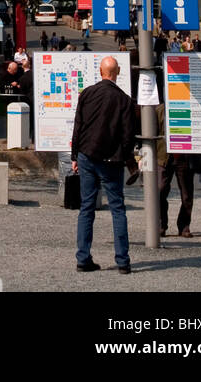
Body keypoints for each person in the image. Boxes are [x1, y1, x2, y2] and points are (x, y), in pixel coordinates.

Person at [70, 56, 138, 274]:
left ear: (100, 71)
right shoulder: (125, 100)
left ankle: (83, 258)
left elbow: (78, 126)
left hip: (87, 155)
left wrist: (74, 156)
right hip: (112, 160)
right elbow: (128, 136)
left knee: (86, 207)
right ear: (117, 71)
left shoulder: (87, 93)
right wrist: (125, 156)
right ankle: (123, 261)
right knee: (117, 208)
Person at [156, 105, 199, 238]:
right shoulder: (160, 109)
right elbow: (154, 132)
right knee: (160, 191)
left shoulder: (190, 106)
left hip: (184, 157)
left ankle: (184, 226)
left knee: (186, 195)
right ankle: (161, 225)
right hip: (164, 156)